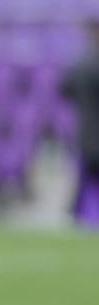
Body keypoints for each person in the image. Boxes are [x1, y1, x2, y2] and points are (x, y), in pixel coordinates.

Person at [59, 19, 99, 224]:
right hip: (91, 134)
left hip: (87, 134)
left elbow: (65, 89)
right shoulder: (87, 66)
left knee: (86, 179)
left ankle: (79, 215)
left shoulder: (82, 66)